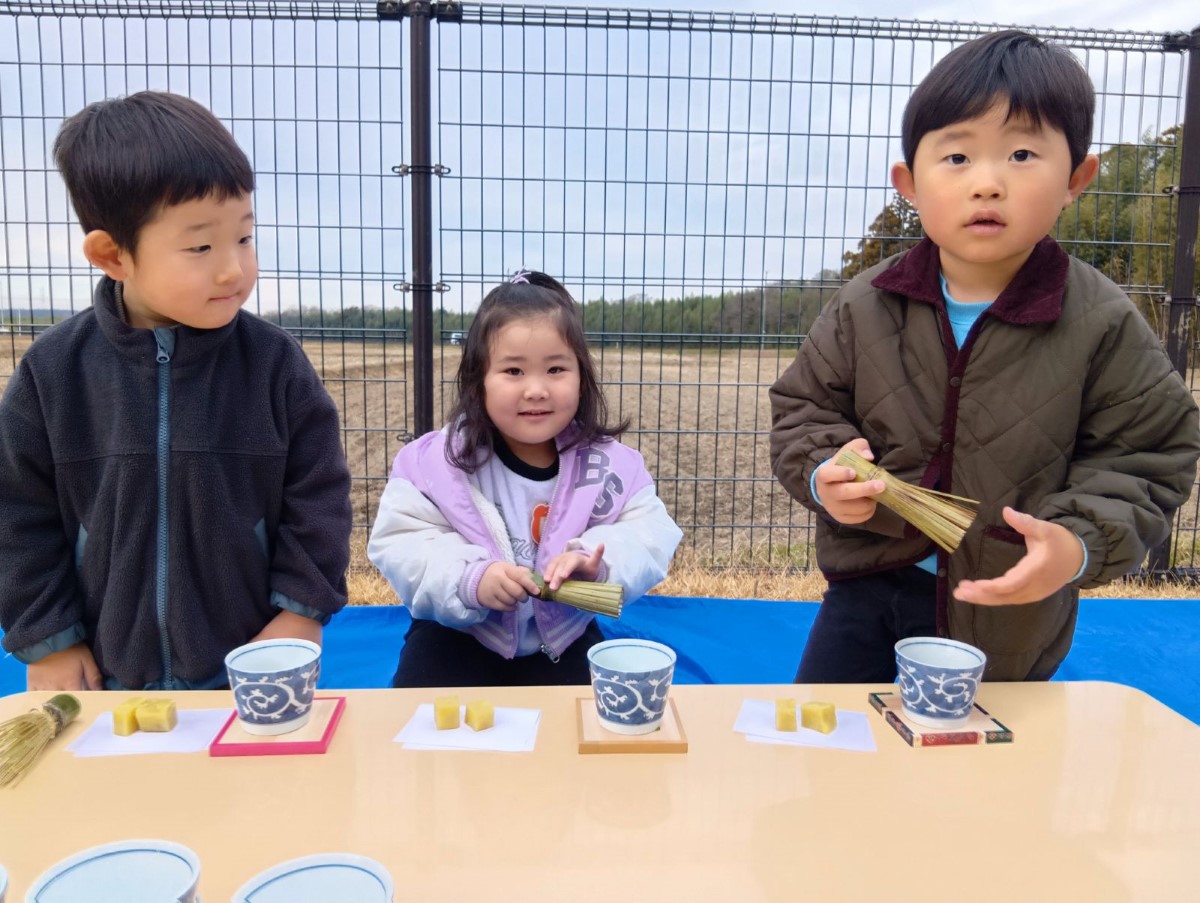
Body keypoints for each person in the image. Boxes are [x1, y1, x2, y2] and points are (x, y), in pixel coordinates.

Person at [769, 30, 1200, 683]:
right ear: (910, 184)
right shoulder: (866, 304)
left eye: (1023, 153)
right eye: (958, 157)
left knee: (978, 774)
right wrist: (825, 470)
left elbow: (1149, 455)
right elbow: (803, 408)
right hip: (867, 591)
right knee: (829, 755)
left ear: (1076, 179)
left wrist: (1077, 541)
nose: (988, 183)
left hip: (1006, 611)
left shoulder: (1101, 321)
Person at [0, 91, 352, 691]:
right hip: (106, 676)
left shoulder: (274, 364)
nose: (232, 269)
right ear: (113, 255)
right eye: (200, 247)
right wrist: (47, 641)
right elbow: (15, 517)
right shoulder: (53, 373)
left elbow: (319, 497)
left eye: (244, 237)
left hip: (254, 670)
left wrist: (299, 610)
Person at [369, 269, 682, 687]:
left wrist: (598, 562)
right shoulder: (436, 465)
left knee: (584, 727)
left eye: (555, 370)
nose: (536, 390)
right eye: (513, 372)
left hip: (563, 634)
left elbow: (649, 533)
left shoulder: (609, 468)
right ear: (478, 380)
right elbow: (402, 543)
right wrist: (469, 580)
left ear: (581, 377)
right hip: (459, 630)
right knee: (421, 718)